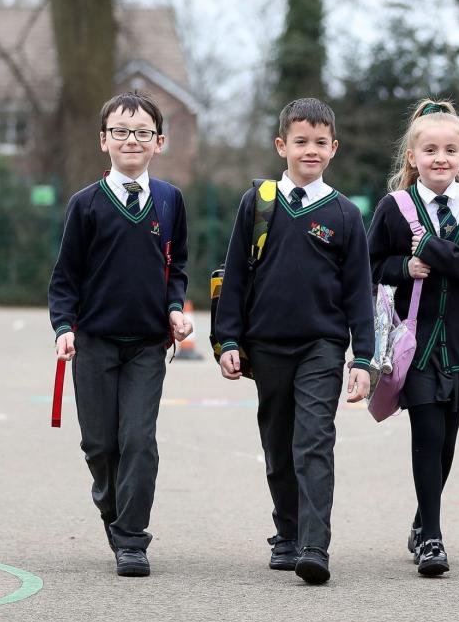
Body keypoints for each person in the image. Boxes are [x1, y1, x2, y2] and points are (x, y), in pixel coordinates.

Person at [212, 97, 374, 585]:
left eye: (320, 143)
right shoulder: (257, 203)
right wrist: (227, 340)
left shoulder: (345, 214)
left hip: (321, 347)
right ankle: (285, 533)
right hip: (266, 348)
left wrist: (363, 358)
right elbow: (236, 276)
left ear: (334, 149)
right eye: (300, 141)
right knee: (278, 445)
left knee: (314, 441)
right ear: (282, 145)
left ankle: (313, 545)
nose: (310, 150)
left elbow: (358, 293)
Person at [49, 90, 193, 577]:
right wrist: (63, 327)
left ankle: (132, 537)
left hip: (147, 347)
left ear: (160, 141)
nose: (132, 140)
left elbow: (178, 266)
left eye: (143, 133)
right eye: (121, 132)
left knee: (138, 439)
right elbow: (65, 277)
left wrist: (175, 308)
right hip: (93, 344)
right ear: (104, 140)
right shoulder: (85, 205)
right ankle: (114, 515)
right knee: (100, 446)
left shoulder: (171, 201)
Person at [367, 99, 459, 577]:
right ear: (412, 157)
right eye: (430, 150)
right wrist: (405, 266)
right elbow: (371, 264)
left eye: (450, 149)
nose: (440, 157)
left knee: (447, 439)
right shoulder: (394, 207)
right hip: (416, 343)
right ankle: (433, 539)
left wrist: (435, 252)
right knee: (426, 434)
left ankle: (422, 518)